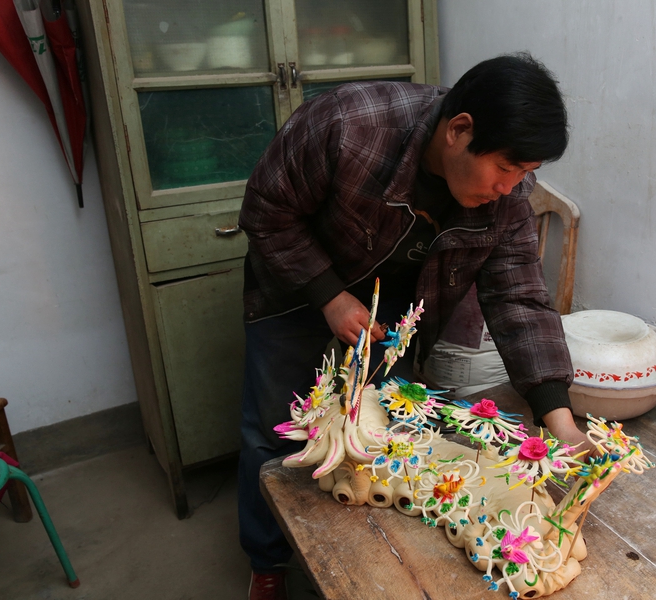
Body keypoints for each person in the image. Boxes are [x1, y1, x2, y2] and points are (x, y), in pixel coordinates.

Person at [236, 52, 586, 600]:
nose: (511, 187)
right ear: (459, 130)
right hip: (297, 285)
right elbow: (266, 209)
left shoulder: (509, 196)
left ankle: (354, 566)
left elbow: (518, 297)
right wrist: (329, 297)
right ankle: (267, 562)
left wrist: (558, 419)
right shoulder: (347, 125)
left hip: (391, 311)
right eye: (506, 168)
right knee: (277, 432)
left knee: (372, 436)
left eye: (526, 173)